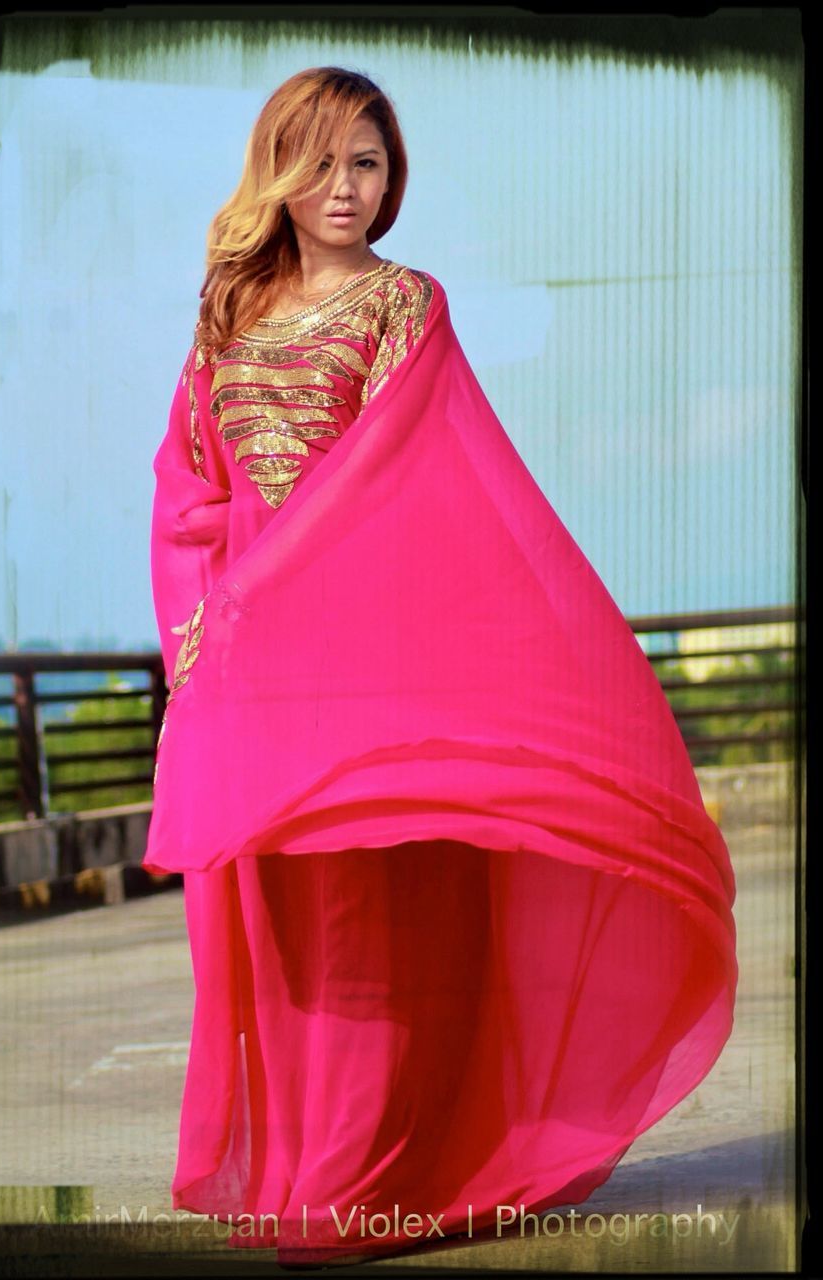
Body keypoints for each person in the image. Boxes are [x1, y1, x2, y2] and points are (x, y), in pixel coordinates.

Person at [142, 67, 738, 1268]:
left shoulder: (405, 305)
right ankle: (308, 1169)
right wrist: (204, 626)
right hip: (257, 675)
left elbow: (403, 473)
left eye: (367, 162)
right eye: (321, 162)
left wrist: (277, 587)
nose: (347, 187)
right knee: (283, 926)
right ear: (277, 172)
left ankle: (364, 1184)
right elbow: (185, 487)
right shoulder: (229, 313)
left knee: (374, 919)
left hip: (370, 667)